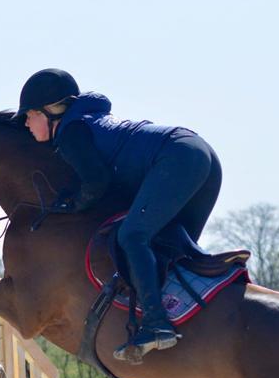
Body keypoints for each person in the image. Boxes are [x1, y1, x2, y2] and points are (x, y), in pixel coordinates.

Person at [14, 68, 222, 362]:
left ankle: (156, 325)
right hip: (199, 155)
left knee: (132, 236)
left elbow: (96, 182)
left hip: (178, 158)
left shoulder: (71, 133)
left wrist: (73, 205)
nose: (26, 122)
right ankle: (192, 318)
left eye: (29, 114)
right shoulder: (86, 123)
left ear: (49, 112)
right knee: (170, 246)